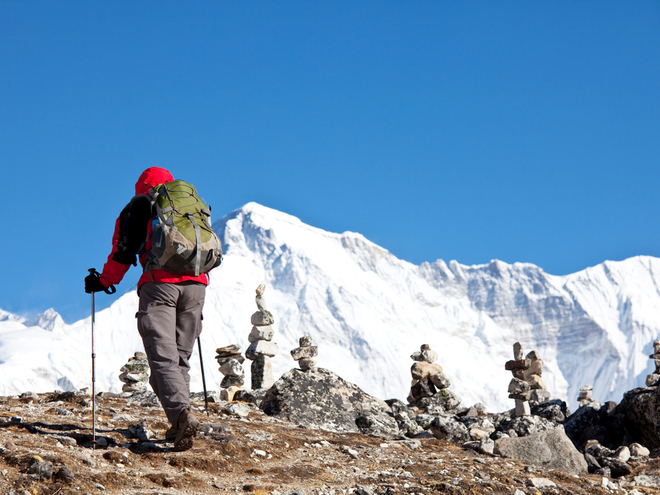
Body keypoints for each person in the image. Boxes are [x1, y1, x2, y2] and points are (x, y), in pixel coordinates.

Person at [85, 167, 210, 451]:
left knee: (162, 356)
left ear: (142, 186)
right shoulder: (190, 205)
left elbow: (122, 253)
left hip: (160, 285)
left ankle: (182, 417)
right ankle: (179, 421)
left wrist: (102, 281)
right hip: (197, 286)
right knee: (179, 359)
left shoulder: (140, 205)